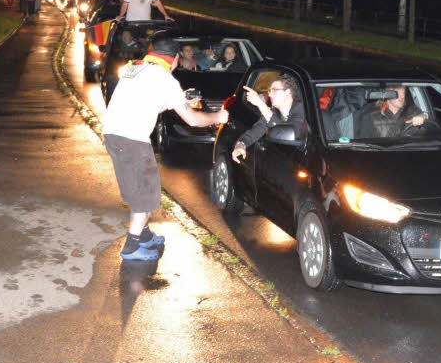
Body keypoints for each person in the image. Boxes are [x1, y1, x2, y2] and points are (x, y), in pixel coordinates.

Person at [101, 37, 227, 260]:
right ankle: (131, 246)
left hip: (114, 135)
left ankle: (143, 234)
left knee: (139, 188)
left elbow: (146, 103)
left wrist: (176, 100)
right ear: (175, 59)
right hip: (132, 140)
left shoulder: (135, 69)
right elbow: (194, 121)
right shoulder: (165, 79)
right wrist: (218, 116)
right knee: (146, 193)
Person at [231, 74, 306, 162]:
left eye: (274, 90)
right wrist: (241, 145)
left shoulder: (301, 110)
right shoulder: (275, 111)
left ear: (287, 92)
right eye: (269, 91)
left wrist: (260, 104)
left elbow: (291, 133)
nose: (270, 94)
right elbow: (255, 131)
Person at [357, 84, 428, 138]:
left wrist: (423, 116)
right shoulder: (370, 115)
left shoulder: (412, 111)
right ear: (387, 92)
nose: (402, 95)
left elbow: (428, 120)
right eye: (397, 90)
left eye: (403, 90)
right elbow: (364, 144)